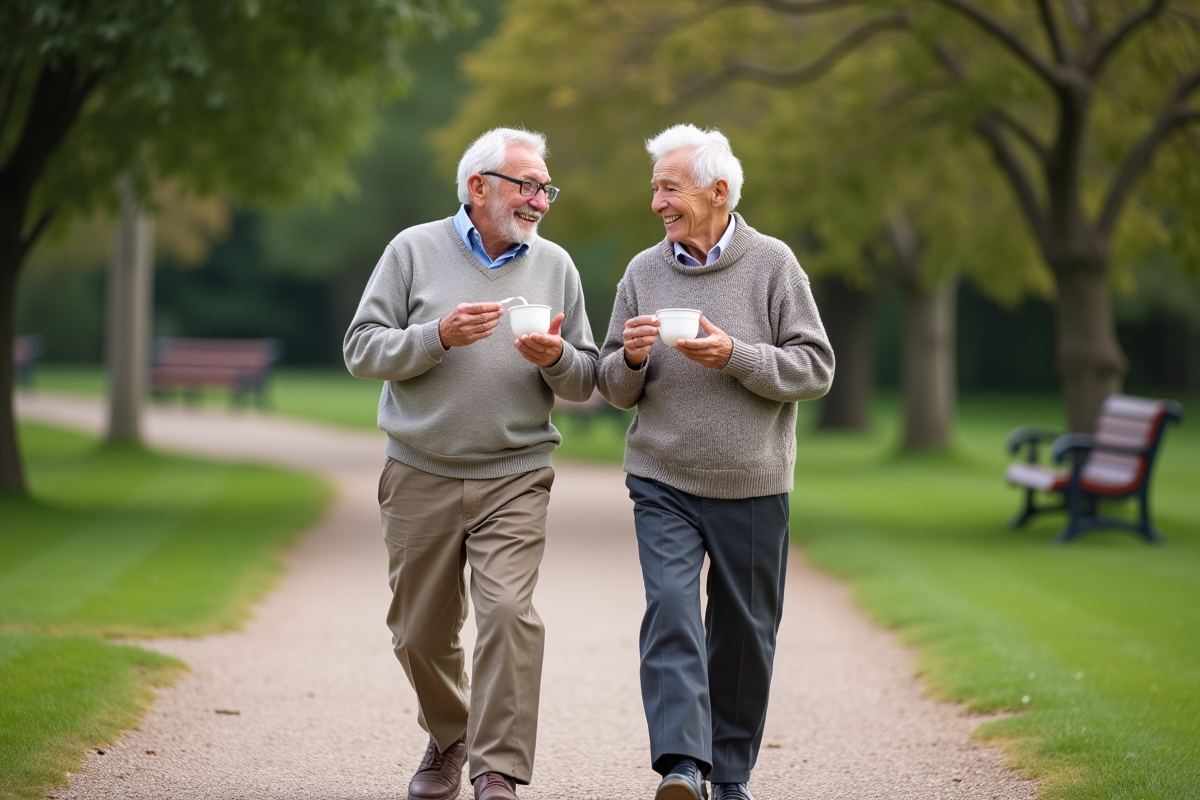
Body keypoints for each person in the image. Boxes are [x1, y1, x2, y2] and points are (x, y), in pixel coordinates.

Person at [344, 127, 598, 800]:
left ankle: (497, 770)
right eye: (528, 184)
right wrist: (436, 337)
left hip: (516, 474)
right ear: (478, 186)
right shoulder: (412, 251)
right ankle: (452, 734)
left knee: (510, 614)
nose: (540, 200)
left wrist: (558, 360)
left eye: (546, 188)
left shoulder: (556, 265)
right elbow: (361, 349)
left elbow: (585, 379)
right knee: (417, 634)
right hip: (419, 469)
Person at [597, 124, 835, 800]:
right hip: (661, 477)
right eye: (655, 190)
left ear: (718, 191)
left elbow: (815, 368)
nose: (657, 204)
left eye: (668, 189)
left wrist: (733, 355)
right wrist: (634, 358)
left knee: (744, 631)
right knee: (670, 609)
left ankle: (728, 777)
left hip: (753, 480)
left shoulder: (775, 265)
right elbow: (614, 386)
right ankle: (682, 767)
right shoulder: (643, 272)